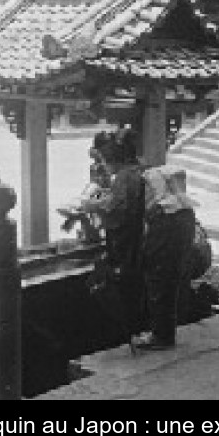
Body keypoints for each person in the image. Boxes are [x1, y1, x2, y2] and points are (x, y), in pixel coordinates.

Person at [80, 128, 146, 336]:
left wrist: (92, 206)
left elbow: (116, 211)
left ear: (112, 160)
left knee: (126, 285)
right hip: (146, 239)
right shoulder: (139, 170)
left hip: (132, 244)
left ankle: (129, 330)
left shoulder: (125, 177)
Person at [135, 165, 198, 351]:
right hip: (179, 248)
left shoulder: (162, 211)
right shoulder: (184, 208)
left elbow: (154, 247)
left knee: (160, 287)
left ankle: (161, 336)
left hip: (164, 248)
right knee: (171, 287)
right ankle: (164, 333)